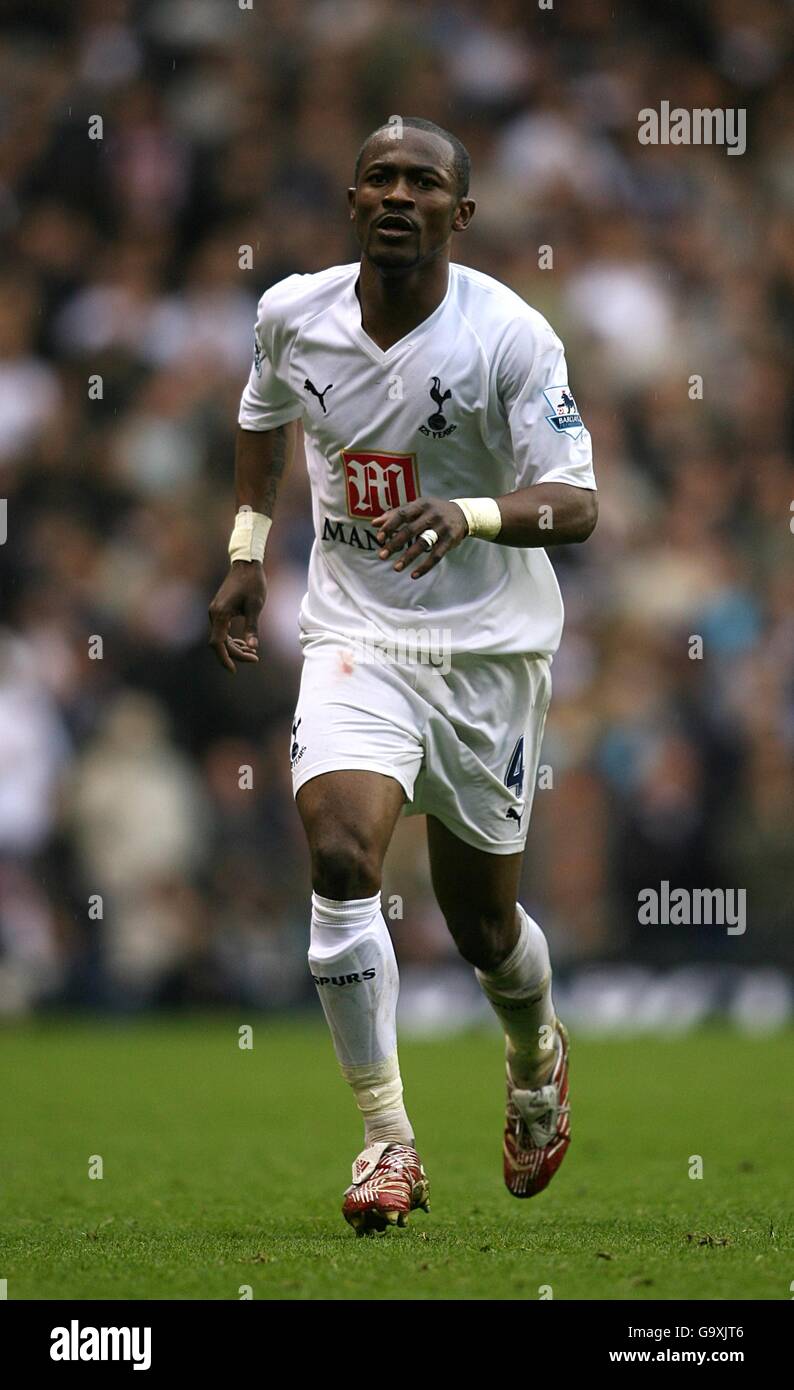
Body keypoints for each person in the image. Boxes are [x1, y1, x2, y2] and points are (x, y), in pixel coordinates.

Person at [208, 116, 597, 1234]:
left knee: (482, 928)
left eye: (421, 182)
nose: (395, 194)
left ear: (457, 215)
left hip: (483, 656)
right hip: (354, 638)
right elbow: (259, 419)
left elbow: (575, 504)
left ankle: (533, 1057)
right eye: (376, 176)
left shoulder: (509, 336)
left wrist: (468, 511)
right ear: (350, 200)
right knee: (338, 852)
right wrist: (244, 552)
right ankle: (387, 1140)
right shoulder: (293, 313)